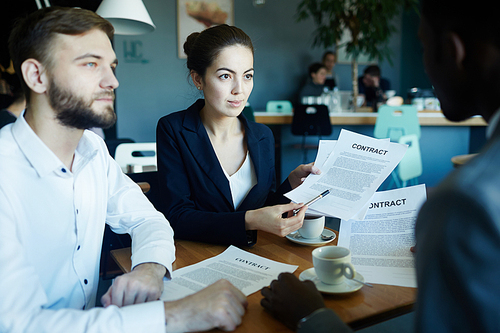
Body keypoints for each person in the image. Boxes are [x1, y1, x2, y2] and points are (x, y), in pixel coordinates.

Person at [0, 7, 247, 333]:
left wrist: (149, 267)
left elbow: (148, 219)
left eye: (112, 66)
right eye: (91, 64)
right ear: (36, 76)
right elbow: (21, 325)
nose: (112, 81)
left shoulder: (93, 151)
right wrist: (175, 315)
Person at [261, 0, 500, 331]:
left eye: (423, 48)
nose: (426, 68)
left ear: (452, 50)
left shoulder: (465, 203)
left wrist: (310, 316)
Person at [157, 24, 319, 247]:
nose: (239, 89)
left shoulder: (263, 136)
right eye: (225, 76)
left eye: (248, 76)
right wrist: (248, 220)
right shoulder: (174, 129)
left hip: (253, 257)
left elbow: (264, 207)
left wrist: (291, 183)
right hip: (196, 256)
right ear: (198, 79)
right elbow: (176, 217)